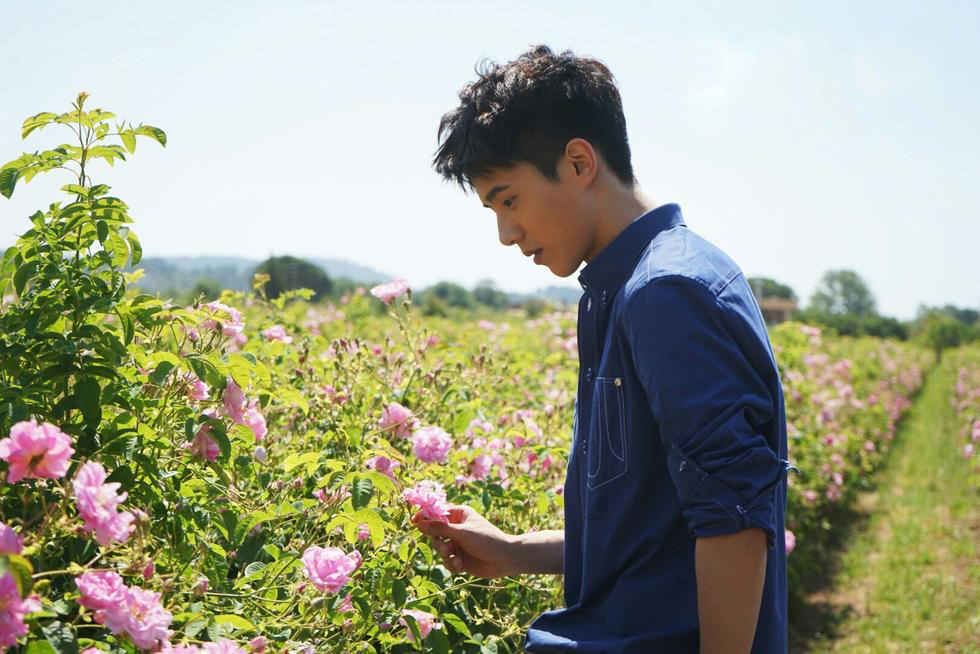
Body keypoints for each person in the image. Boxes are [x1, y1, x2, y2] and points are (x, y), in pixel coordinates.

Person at [415, 44, 792, 653]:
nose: (506, 234)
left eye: (509, 200)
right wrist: (514, 552)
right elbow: (652, 529)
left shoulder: (667, 291)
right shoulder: (620, 289)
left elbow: (734, 522)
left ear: (579, 162)